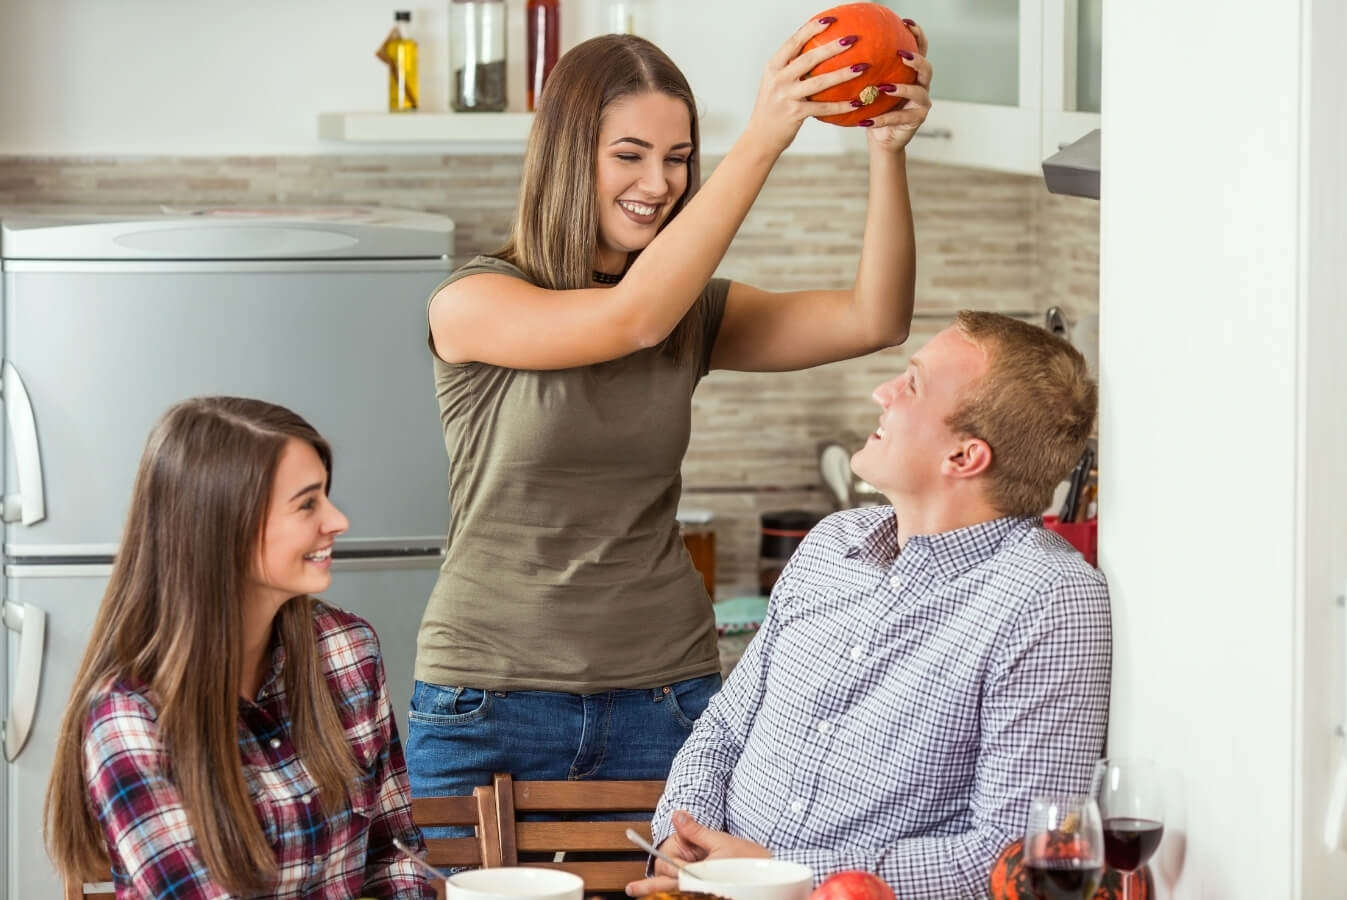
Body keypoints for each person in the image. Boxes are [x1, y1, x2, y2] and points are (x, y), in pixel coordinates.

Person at [411, 20, 934, 800]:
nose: (658, 185)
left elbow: (872, 319)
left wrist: (886, 153)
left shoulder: (690, 312)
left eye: (680, 158)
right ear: (565, 156)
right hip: (488, 701)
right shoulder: (473, 302)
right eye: (629, 155)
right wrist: (762, 138)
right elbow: (631, 320)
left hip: (666, 698)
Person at [626, 312, 1111, 900]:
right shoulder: (832, 543)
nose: (881, 393)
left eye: (910, 385)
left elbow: (1012, 853)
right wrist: (683, 832)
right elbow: (726, 725)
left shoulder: (1048, 600)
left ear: (964, 458)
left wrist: (778, 872)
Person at [44, 397, 433, 899]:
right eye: (307, 503)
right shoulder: (128, 719)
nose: (338, 520)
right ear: (226, 524)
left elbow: (394, 855)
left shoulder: (346, 651)